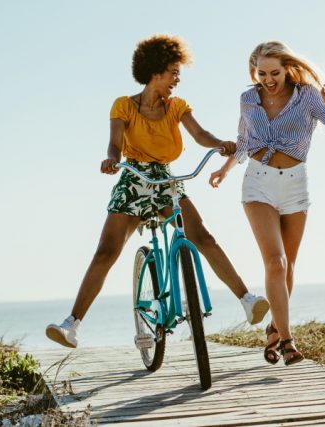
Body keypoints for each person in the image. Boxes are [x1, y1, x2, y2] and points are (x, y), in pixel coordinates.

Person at [46, 34, 269, 348]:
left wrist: (220, 144)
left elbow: (200, 134)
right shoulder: (124, 105)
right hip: (133, 178)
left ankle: (247, 300)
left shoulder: (177, 107)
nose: (177, 79)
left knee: (202, 237)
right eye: (174, 72)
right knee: (106, 252)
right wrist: (112, 161)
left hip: (164, 180)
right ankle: (72, 324)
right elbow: (114, 144)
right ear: (155, 72)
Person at [209, 41, 325, 365]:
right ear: (254, 71)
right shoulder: (247, 99)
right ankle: (287, 341)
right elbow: (244, 142)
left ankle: (274, 328)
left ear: (286, 68)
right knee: (276, 262)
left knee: (288, 268)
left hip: (296, 186)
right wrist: (225, 169)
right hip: (258, 184)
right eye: (262, 73)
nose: (268, 80)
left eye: (274, 72)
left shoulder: (308, 95)